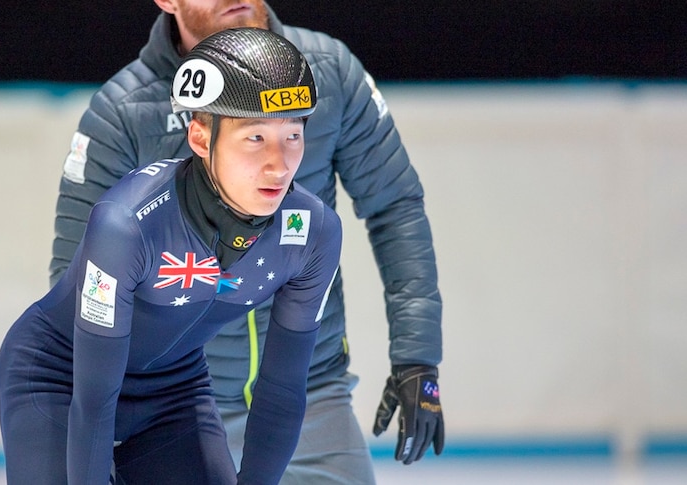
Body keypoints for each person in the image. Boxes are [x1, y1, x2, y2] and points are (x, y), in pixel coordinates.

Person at [51, 1, 445, 482]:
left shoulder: (330, 71)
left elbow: (394, 206)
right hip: (171, 409)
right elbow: (78, 280)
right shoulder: (124, 110)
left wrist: (417, 358)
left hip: (311, 397)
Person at [0, 27, 341, 485]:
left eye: (293, 136)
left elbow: (281, 391)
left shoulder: (313, 232)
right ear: (200, 139)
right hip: (62, 376)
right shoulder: (126, 225)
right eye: (255, 138)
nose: (278, 164)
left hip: (173, 391)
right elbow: (94, 398)